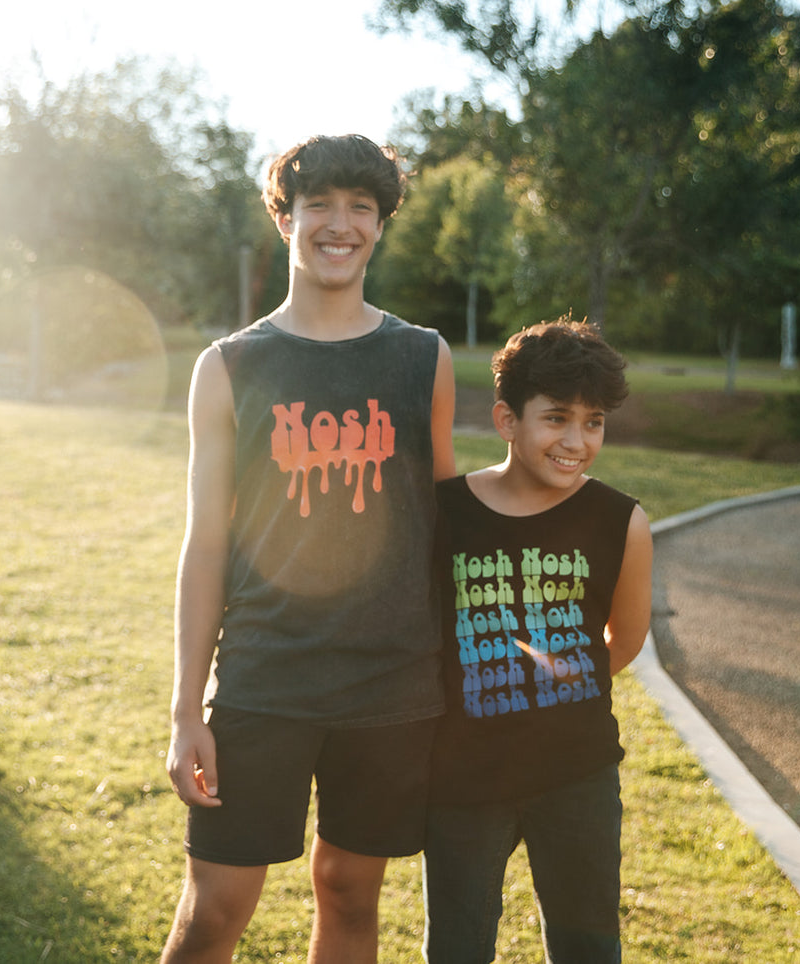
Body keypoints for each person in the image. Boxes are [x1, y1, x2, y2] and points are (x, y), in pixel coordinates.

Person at [161, 133, 457, 963]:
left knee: (350, 895)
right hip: (265, 681)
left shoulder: (421, 357)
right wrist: (188, 709)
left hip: (391, 685)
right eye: (318, 204)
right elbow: (205, 541)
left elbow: (445, 523)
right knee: (212, 913)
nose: (339, 223)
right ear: (284, 218)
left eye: (360, 207)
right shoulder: (229, 366)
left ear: (380, 225)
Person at [421, 316, 653, 964]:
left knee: (587, 948)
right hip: (463, 777)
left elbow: (625, 639)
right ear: (506, 420)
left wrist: (555, 688)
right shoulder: (445, 514)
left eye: (593, 421)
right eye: (555, 418)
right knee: (456, 948)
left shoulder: (620, 522)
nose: (575, 440)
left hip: (576, 772)